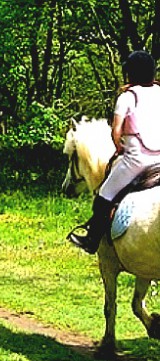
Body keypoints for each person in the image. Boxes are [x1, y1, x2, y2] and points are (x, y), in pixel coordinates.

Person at [68, 50, 160, 254]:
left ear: (131, 74)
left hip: (137, 161)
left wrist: (119, 147)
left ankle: (91, 241)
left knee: (103, 195)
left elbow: (116, 132)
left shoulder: (127, 97)